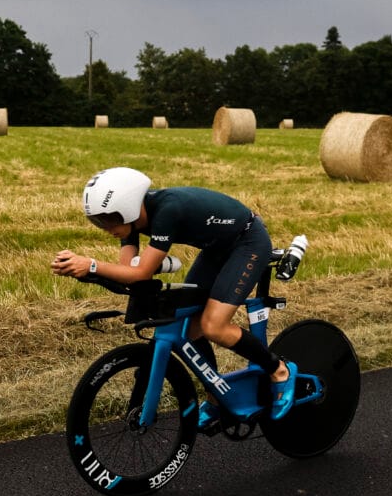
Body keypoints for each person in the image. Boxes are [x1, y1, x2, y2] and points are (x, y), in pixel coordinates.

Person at [51, 166, 297, 425]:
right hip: (217, 248)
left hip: (248, 241)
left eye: (108, 219)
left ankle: (279, 370)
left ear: (128, 208)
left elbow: (141, 273)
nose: (105, 227)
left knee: (213, 325)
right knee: (188, 329)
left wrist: (91, 264)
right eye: (99, 221)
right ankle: (218, 395)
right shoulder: (131, 222)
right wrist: (85, 273)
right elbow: (130, 272)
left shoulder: (167, 211)